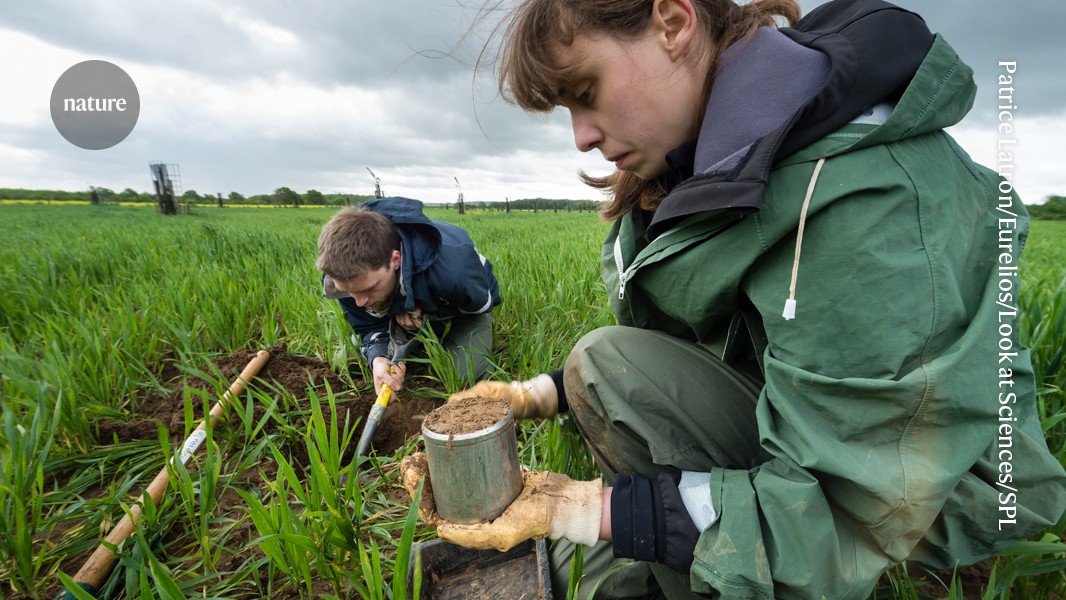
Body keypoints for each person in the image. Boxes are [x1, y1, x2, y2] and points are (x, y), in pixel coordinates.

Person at [401, 0, 1066, 598]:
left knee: (610, 380)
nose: (581, 136)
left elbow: (851, 509)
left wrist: (580, 510)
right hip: (814, 426)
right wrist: (539, 394)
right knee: (599, 401)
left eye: (586, 93)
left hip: (934, 488)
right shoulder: (714, 159)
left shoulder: (859, 205)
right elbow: (719, 339)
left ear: (673, 21)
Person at [317, 197, 501, 394]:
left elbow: (481, 305)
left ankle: (425, 337)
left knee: (466, 376)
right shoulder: (344, 278)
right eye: (350, 292)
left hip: (460, 313)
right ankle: (410, 338)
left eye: (369, 289)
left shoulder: (454, 272)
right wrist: (378, 358)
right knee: (357, 361)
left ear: (395, 260)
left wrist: (424, 317)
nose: (359, 302)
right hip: (406, 307)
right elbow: (368, 327)